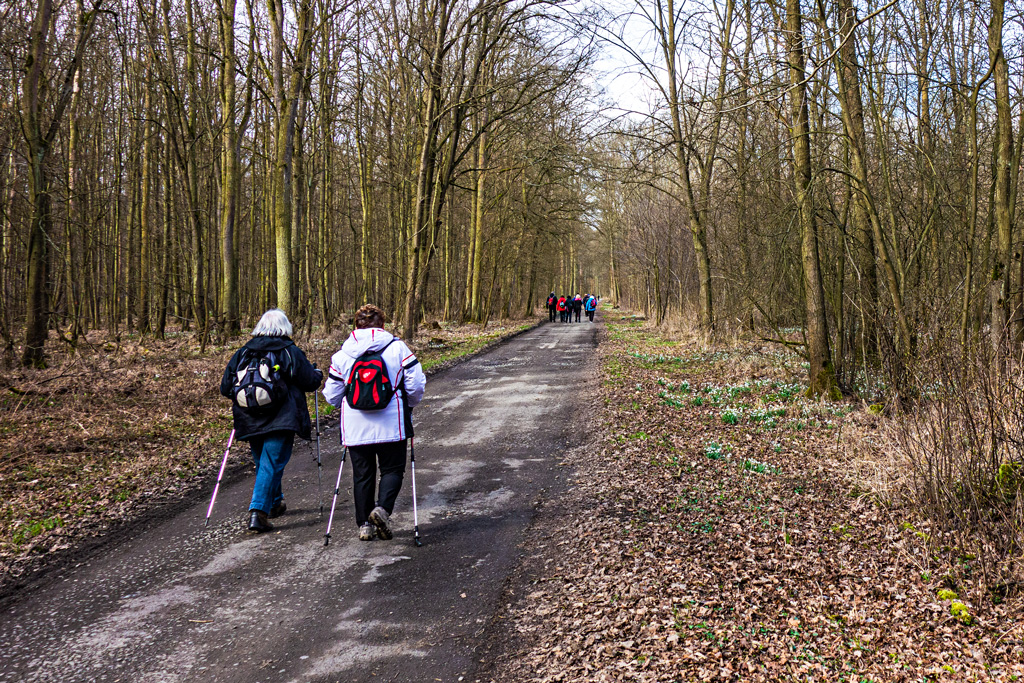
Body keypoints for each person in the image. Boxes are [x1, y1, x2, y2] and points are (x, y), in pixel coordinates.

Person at [323, 304, 427, 541]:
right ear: (383, 325)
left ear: (355, 325)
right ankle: (382, 510)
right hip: (392, 422)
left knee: (362, 474)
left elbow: (331, 396)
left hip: (355, 425)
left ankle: (364, 526)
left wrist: (347, 401)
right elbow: (416, 384)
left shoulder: (342, 355)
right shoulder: (398, 348)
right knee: (392, 469)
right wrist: (408, 403)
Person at [220, 308, 323, 533]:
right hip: (282, 417)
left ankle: (275, 503)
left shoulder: (242, 353)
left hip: (249, 417)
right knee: (271, 463)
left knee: (264, 462)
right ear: (284, 327)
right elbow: (309, 382)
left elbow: (225, 388)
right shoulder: (289, 351)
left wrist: (251, 400)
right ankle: (258, 512)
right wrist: (318, 374)